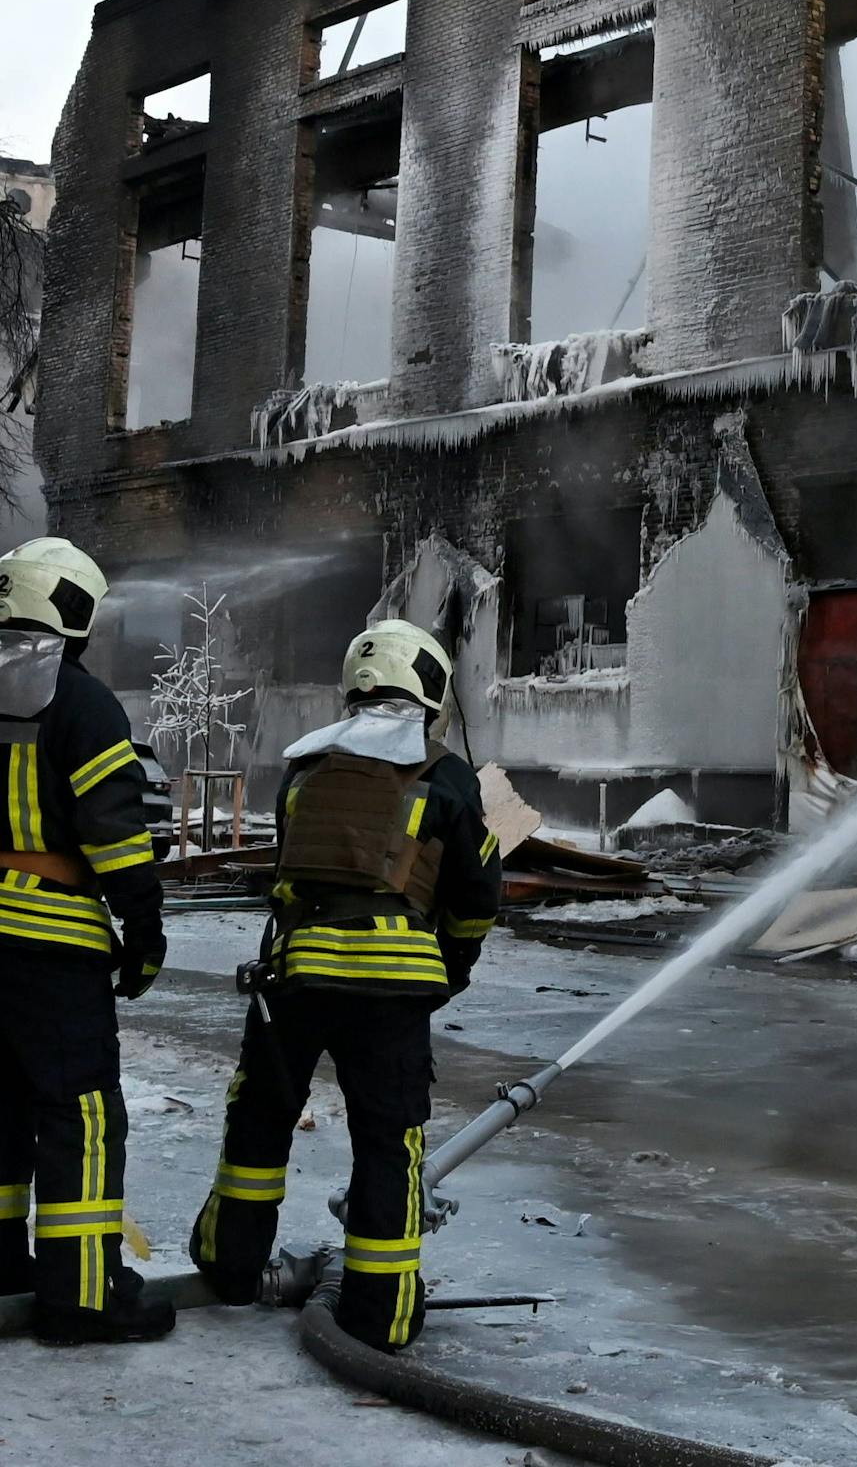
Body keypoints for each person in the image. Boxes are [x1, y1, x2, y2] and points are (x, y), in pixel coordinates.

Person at [190, 618, 500, 1351]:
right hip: (391, 987)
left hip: (294, 975)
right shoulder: (446, 773)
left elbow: (288, 872)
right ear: (427, 690)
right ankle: (382, 1314)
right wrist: (448, 966)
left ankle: (230, 1269)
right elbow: (477, 894)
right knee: (389, 1142)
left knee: (262, 1117)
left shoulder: (307, 764)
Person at [0, 536, 173, 1344]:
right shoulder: (80, 704)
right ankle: (81, 1294)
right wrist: (143, 930)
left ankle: (5, 1268)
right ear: (72, 611)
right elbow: (116, 836)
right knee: (79, 1112)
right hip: (50, 942)